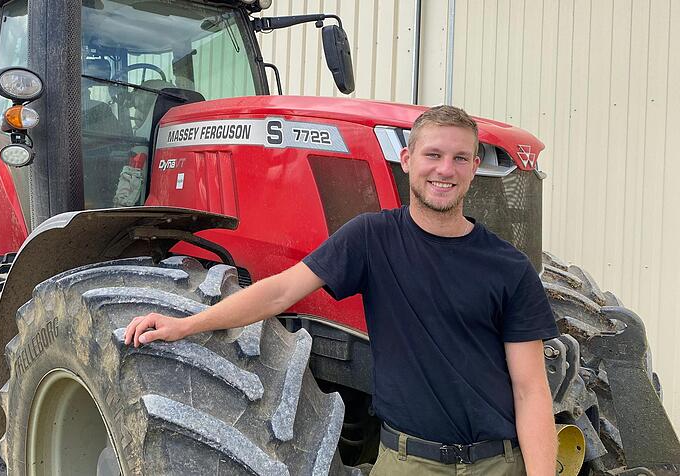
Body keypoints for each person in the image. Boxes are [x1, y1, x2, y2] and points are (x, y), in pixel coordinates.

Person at [124, 105, 559, 475]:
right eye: (434, 155)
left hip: (497, 464)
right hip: (408, 463)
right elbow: (280, 292)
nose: (446, 170)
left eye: (461, 158)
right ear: (407, 159)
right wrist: (186, 324)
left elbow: (530, 390)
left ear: (473, 168)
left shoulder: (508, 266)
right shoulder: (371, 238)